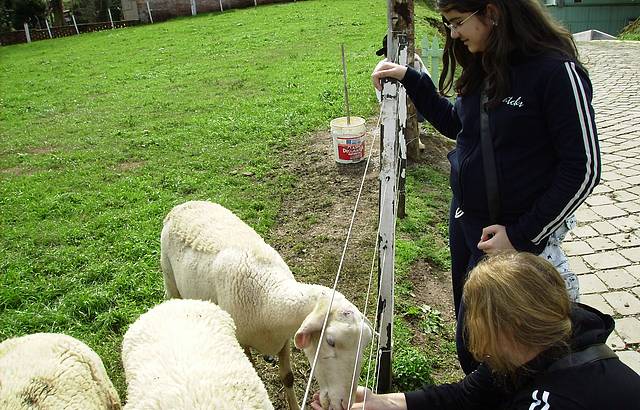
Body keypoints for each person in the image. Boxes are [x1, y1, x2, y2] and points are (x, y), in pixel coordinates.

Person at [371, 0, 600, 374]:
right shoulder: (484, 63)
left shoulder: (556, 72)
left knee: (503, 349)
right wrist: (412, 79)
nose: (454, 34)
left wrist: (522, 236)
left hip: (506, 237)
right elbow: (458, 126)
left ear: (492, 13)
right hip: (465, 222)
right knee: (471, 335)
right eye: (448, 25)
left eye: (459, 22)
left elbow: (584, 169)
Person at [311, 252, 640, 410]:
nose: (474, 341)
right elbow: (465, 397)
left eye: (477, 324)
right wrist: (381, 403)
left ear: (508, 327)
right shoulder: (548, 340)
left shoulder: (552, 402)